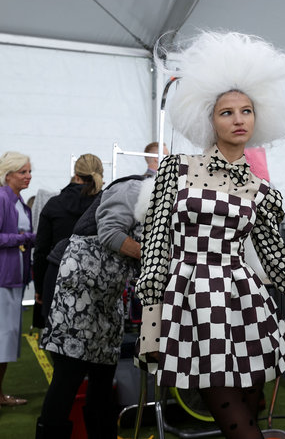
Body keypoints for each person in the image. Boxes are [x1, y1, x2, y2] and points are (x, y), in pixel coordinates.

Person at [135, 31, 285, 439]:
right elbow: (156, 252)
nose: (238, 119)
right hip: (192, 306)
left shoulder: (262, 192)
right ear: (209, 120)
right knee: (237, 425)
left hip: (245, 306)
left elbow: (279, 266)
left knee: (248, 413)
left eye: (246, 111)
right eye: (227, 112)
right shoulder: (175, 169)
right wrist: (151, 330)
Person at [37, 171, 151, 439]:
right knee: (69, 374)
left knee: (103, 374)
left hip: (107, 294)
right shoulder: (133, 190)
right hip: (77, 287)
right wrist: (155, 257)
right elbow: (111, 233)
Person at [32, 154, 104, 328]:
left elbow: (41, 250)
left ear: (76, 175)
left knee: (58, 339)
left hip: (57, 277)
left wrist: (40, 289)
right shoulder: (106, 204)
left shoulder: (54, 204)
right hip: (96, 278)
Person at [0, 151, 35, 407]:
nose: (28, 176)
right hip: (4, 279)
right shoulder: (3, 199)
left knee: (7, 339)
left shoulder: (17, 200)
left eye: (29, 171)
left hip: (13, 277)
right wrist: (25, 239)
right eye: (23, 172)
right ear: (8, 173)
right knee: (4, 338)